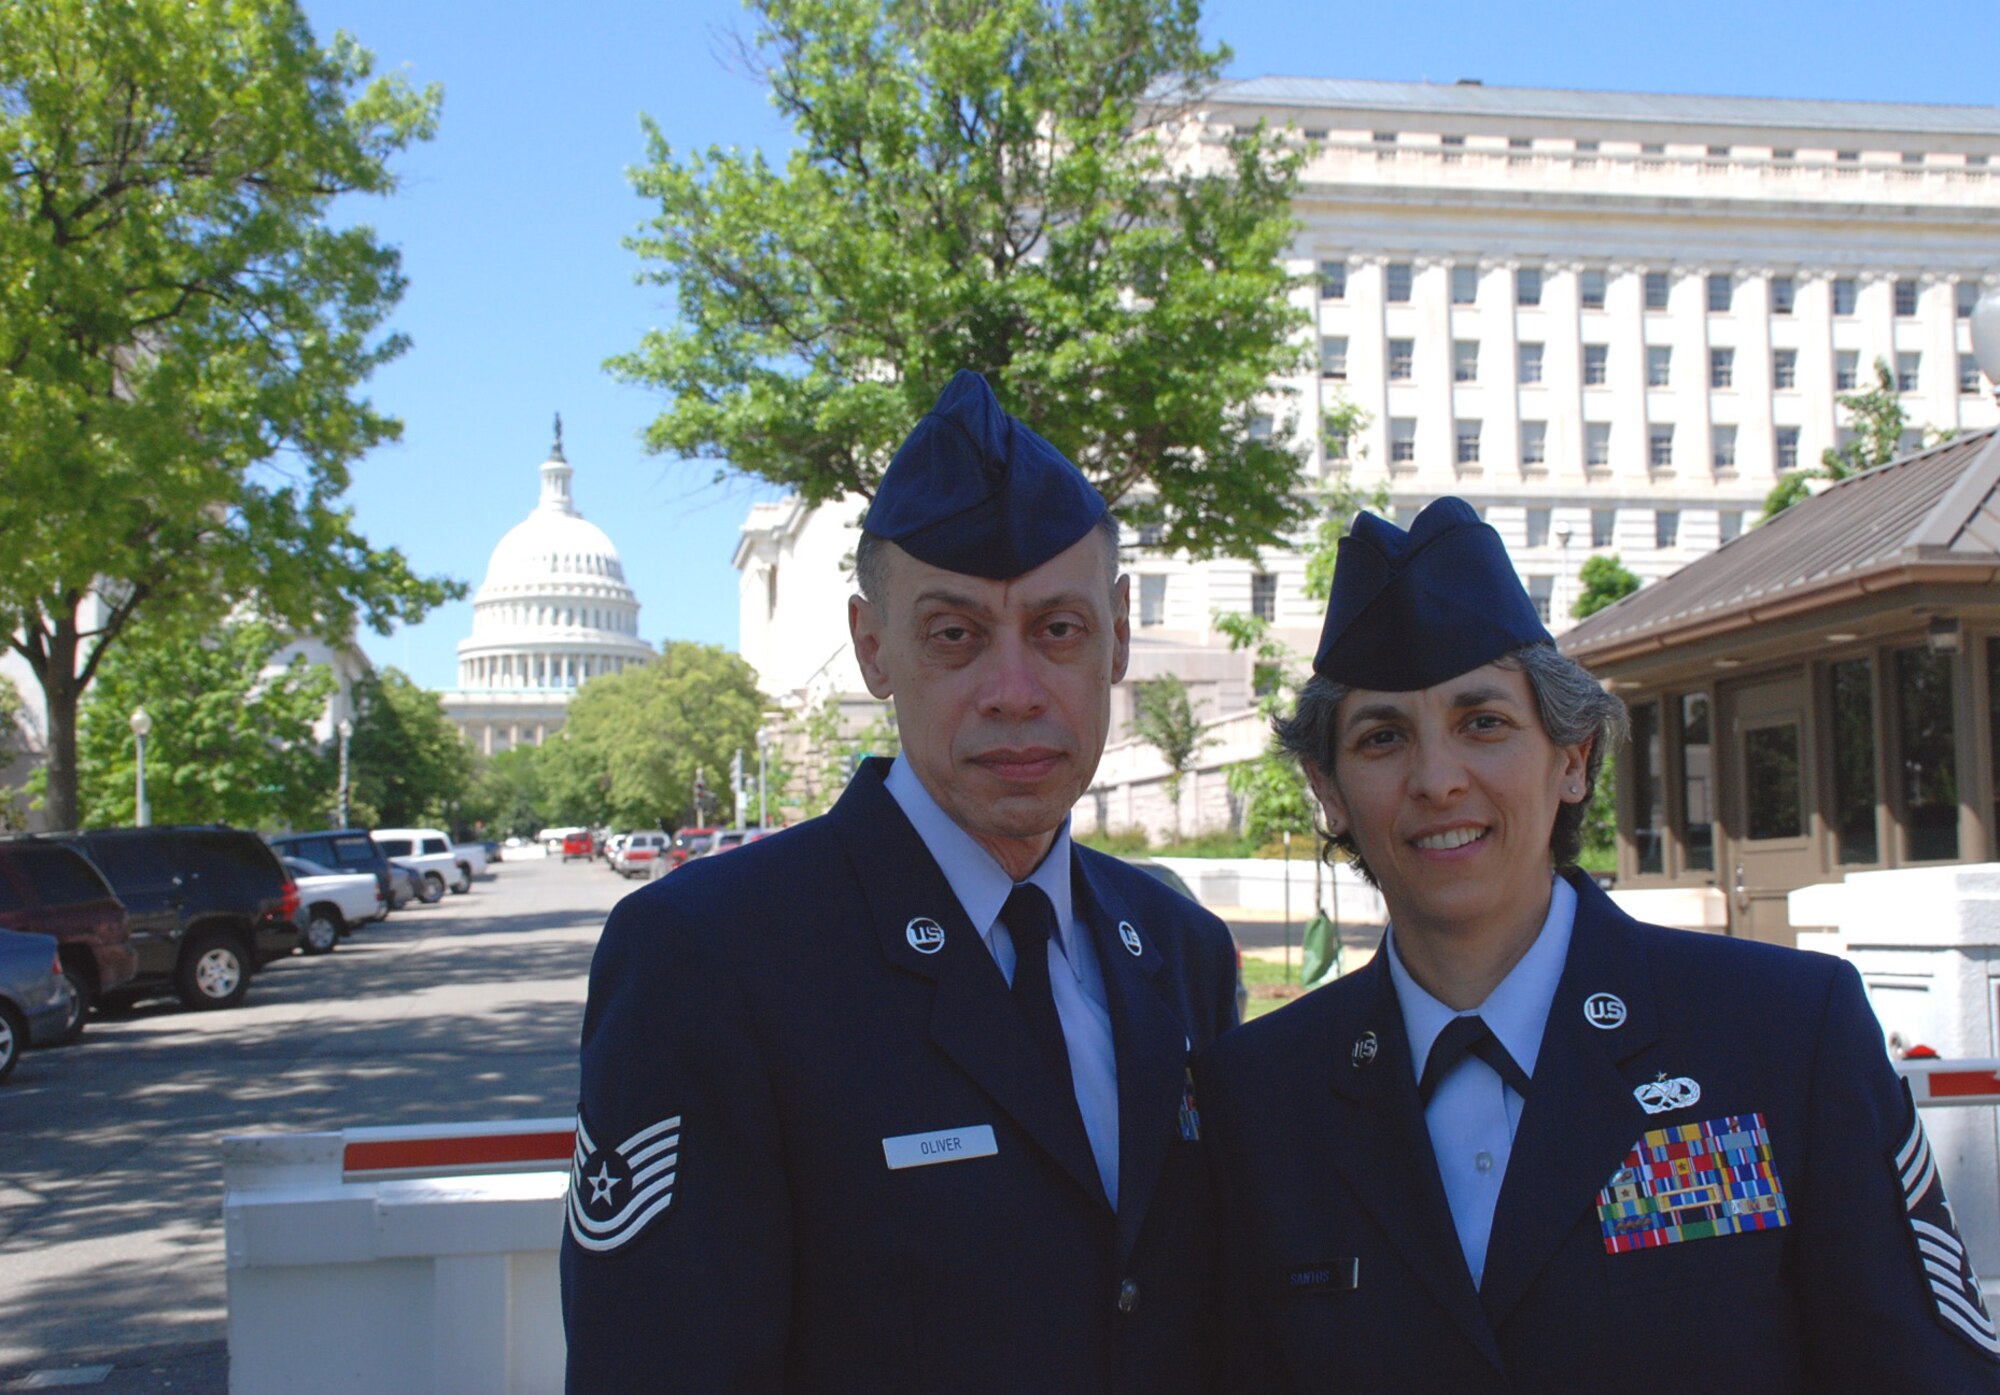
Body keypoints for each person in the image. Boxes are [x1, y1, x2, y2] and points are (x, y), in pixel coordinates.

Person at [1199, 498, 2000, 1393]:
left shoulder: (1784, 1033)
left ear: (1573, 757)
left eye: (1484, 723)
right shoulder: (1262, 1095)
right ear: (1330, 791)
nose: (1436, 779)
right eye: (1383, 737)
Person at [561, 370, 1240, 1393]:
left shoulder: (1176, 947)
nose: (1014, 693)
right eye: (955, 634)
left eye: (1057, 630)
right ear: (873, 648)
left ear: (1118, 637)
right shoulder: (712, 957)